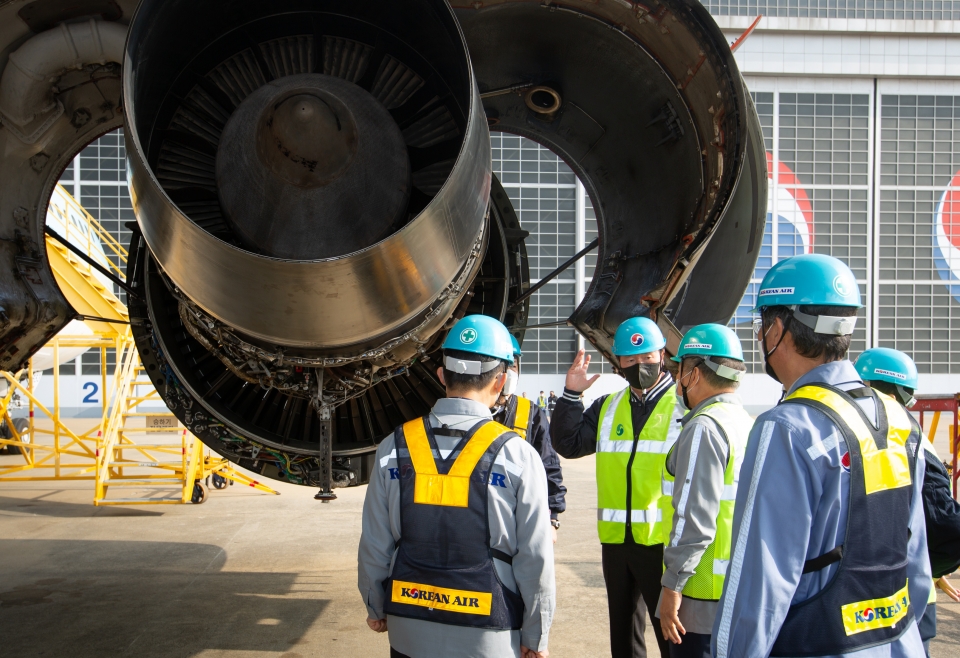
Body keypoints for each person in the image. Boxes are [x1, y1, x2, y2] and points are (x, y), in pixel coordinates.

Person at [712, 254, 932, 658]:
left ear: (777, 329)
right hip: (898, 643)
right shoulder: (898, 418)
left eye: (762, 326)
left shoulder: (787, 428)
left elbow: (761, 581)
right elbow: (915, 558)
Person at [358, 314, 555, 658]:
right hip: (489, 634)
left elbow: (375, 543)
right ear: (502, 382)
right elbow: (535, 560)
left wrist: (376, 605)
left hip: (408, 628)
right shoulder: (517, 455)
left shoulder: (394, 447)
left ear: (441, 375)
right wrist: (535, 634)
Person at [552, 316, 682, 658]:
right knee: (623, 640)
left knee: (674, 640)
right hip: (616, 542)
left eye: (648, 357)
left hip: (663, 544)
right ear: (618, 363)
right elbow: (568, 443)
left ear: (662, 355)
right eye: (630, 359)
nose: (640, 365)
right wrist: (571, 395)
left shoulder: (684, 406)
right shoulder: (609, 407)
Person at [855, 347, 960, 657]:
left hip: (900, 602)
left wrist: (930, 566)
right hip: (891, 600)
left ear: (869, 388)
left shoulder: (898, 439)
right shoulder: (903, 434)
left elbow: (947, 527)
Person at [655, 324, 752, 658]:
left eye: (678, 370)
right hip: (738, 589)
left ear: (692, 375)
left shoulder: (704, 427)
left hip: (700, 595)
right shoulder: (745, 422)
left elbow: (693, 518)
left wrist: (671, 586)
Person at [493, 335, 566, 542]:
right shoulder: (473, 411)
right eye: (502, 365)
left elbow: (549, 465)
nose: (509, 372)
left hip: (518, 521)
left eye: (513, 365)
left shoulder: (531, 413)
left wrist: (552, 518)